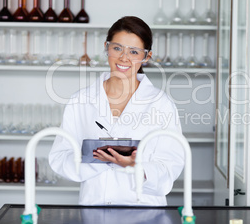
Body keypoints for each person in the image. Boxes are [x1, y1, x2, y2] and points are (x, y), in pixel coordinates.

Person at [49, 16, 184, 206]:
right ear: (106, 47)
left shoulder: (161, 104)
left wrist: (135, 166)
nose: (124, 58)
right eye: (117, 48)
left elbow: (171, 166)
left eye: (134, 51)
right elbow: (60, 157)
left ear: (147, 56)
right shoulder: (80, 101)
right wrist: (98, 160)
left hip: (144, 212)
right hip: (94, 209)